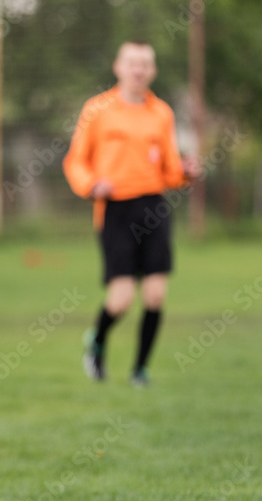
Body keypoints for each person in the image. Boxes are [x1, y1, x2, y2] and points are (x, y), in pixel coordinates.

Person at [63, 41, 200, 387]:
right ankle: (97, 342)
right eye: (132, 63)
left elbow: (170, 172)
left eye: (145, 64)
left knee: (155, 295)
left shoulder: (162, 113)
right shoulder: (97, 109)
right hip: (115, 210)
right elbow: (75, 160)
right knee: (121, 300)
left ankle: (140, 370)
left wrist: (186, 172)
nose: (138, 70)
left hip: (153, 206)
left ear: (152, 71)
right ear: (118, 67)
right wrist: (92, 184)